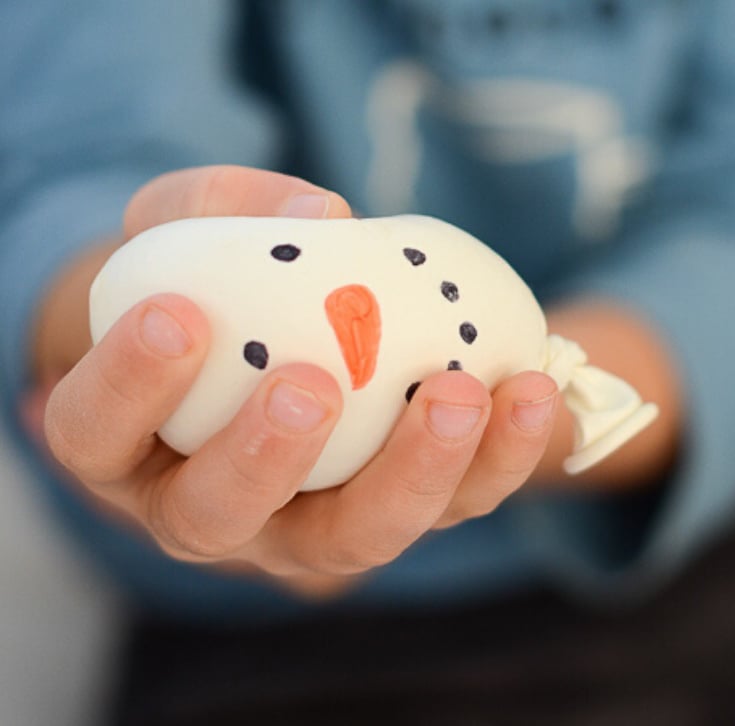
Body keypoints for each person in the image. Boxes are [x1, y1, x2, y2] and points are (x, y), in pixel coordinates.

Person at [1, 0, 734, 716]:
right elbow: (67, 156)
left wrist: (532, 412)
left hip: (654, 562)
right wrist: (106, 333)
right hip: (246, 630)